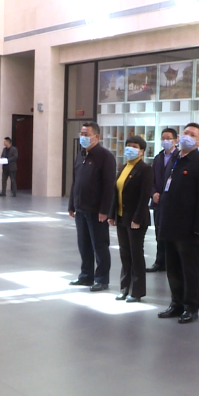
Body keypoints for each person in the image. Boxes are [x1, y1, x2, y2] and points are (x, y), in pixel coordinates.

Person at [157, 122, 199, 323]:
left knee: (189, 269)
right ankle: (176, 303)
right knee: (172, 267)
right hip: (169, 223)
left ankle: (191, 306)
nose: (187, 136)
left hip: (188, 227)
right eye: (185, 132)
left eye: (193, 134)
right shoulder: (174, 159)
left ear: (198, 141)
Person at [68, 123, 116, 291]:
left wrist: (104, 210)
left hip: (96, 211)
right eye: (81, 133)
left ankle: (102, 279)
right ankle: (86, 276)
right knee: (84, 245)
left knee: (100, 245)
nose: (83, 137)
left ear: (96, 137)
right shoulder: (81, 154)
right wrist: (71, 204)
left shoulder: (105, 156)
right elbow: (75, 181)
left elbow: (109, 186)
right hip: (80, 208)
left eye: (86, 134)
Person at [108, 135, 154, 302]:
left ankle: (137, 291)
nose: (130, 149)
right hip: (121, 217)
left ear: (141, 151)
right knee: (124, 254)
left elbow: (144, 197)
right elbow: (116, 192)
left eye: (134, 146)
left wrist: (137, 218)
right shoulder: (123, 167)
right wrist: (112, 214)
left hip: (136, 219)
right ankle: (124, 288)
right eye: (128, 145)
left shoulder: (145, 169)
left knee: (136, 255)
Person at [147, 128, 179, 273]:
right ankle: (160, 261)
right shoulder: (158, 158)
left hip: (172, 203)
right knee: (159, 232)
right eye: (163, 138)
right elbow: (152, 179)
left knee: (170, 233)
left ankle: (171, 262)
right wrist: (153, 193)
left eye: (169, 138)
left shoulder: (178, 157)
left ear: (175, 140)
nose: (165, 141)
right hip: (158, 202)